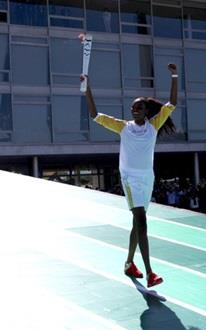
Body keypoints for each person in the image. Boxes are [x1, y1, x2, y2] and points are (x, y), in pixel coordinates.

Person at [81, 63, 178, 287]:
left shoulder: (154, 126)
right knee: (142, 222)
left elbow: (172, 103)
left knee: (137, 222)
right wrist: (87, 89)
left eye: (139, 108)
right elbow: (95, 115)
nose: (135, 110)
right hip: (130, 179)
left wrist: (174, 75)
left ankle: (128, 263)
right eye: (133, 108)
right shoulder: (123, 127)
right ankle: (150, 272)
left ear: (146, 111)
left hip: (147, 179)